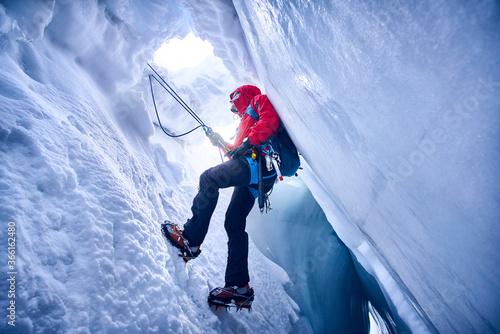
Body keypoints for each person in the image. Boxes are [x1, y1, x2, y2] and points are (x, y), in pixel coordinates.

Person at [162, 85, 280, 310]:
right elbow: (237, 150)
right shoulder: (246, 121)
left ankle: (190, 241)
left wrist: (245, 144)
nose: (232, 107)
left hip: (256, 164)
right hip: (258, 175)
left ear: (242, 95)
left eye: (234, 100)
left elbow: (270, 120)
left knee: (208, 179)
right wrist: (220, 142)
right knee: (234, 223)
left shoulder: (258, 102)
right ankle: (239, 288)